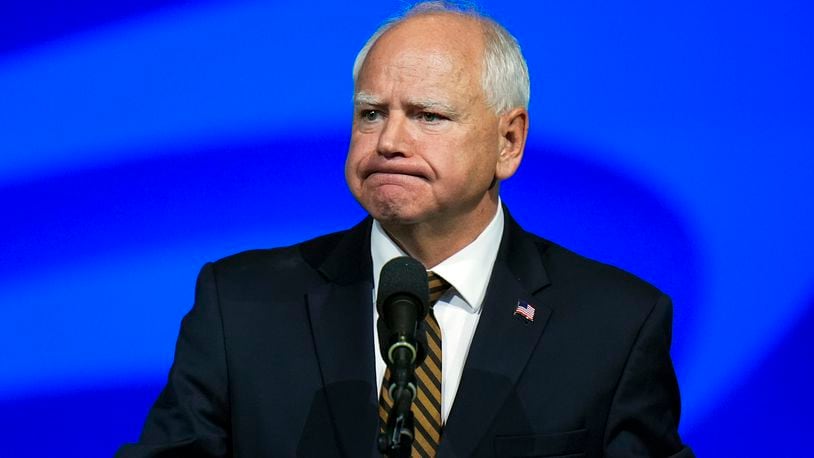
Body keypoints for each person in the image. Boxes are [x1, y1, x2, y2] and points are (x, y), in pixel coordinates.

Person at [118, 2, 693, 457]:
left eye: (427, 116)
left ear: (508, 142)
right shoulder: (240, 304)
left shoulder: (614, 324)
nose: (389, 141)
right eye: (371, 113)